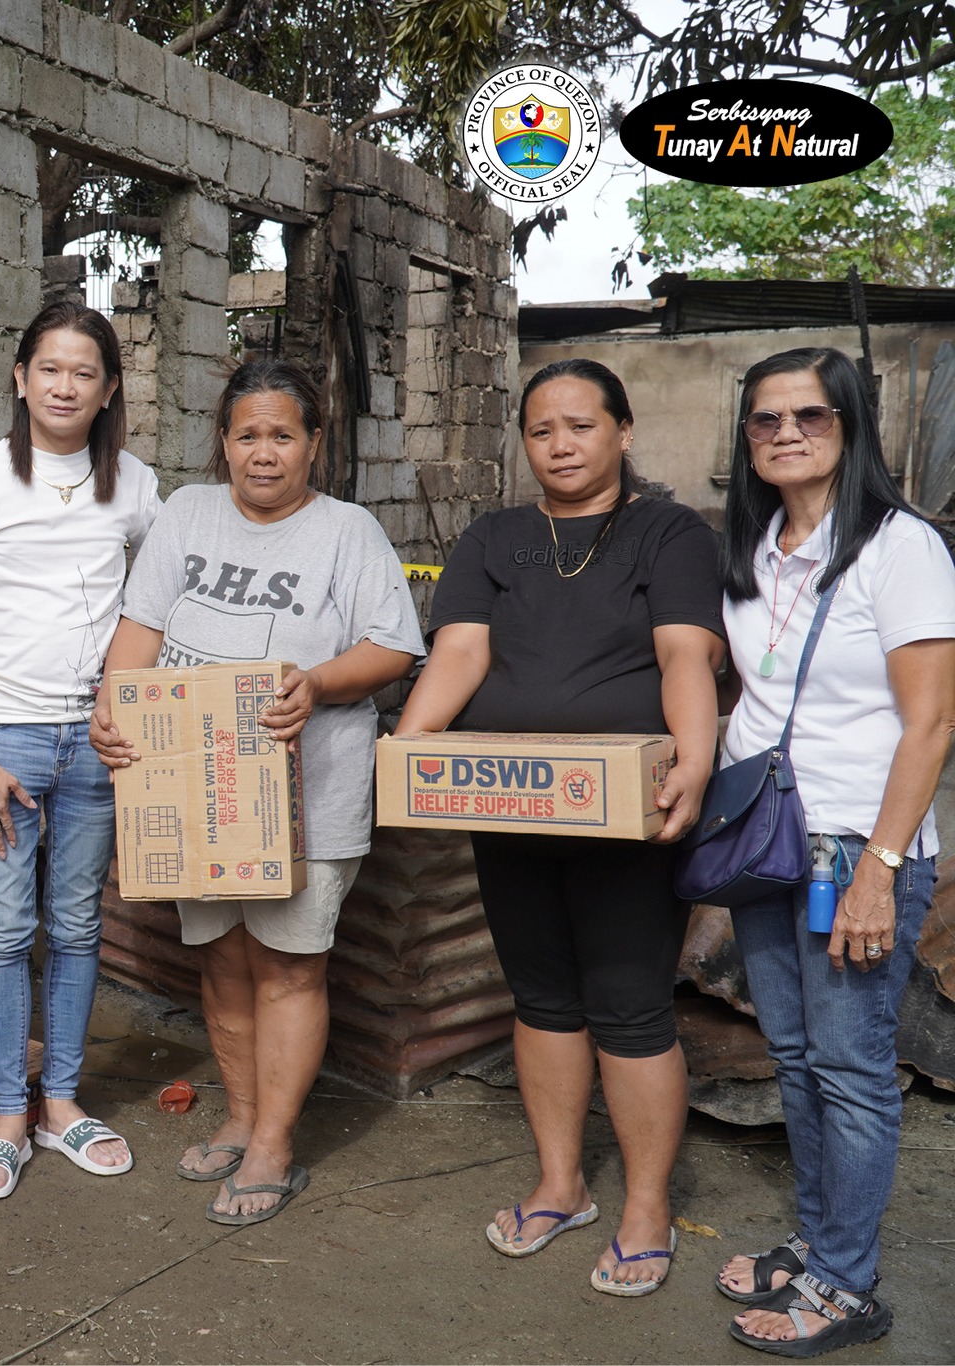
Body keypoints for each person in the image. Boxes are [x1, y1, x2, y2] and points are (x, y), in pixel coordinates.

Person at [395, 358, 724, 1295]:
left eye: (581, 425)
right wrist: (413, 755)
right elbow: (461, 647)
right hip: (511, 805)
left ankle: (646, 1206)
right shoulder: (496, 535)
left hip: (627, 817)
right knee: (540, 999)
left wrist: (692, 764)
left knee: (629, 1006)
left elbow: (684, 655)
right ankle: (560, 1182)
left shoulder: (669, 533)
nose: (561, 444)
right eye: (542, 430)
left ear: (622, 432)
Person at [89, 357, 422, 1224]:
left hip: (309, 790)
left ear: (315, 443)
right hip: (197, 788)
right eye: (247, 436)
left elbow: (393, 648)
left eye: (283, 435)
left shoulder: (348, 532)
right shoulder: (189, 515)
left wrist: (316, 682)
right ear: (222, 443)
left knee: (286, 966)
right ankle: (241, 1117)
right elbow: (141, 629)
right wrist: (111, 710)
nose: (264, 454)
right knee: (223, 963)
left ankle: (275, 1144)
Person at [707, 347, 955, 1356]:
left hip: (855, 843)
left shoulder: (899, 549)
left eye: (807, 415)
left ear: (850, 425)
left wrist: (878, 870)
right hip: (766, 845)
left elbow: (930, 723)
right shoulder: (755, 545)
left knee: (850, 1069)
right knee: (796, 1056)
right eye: (763, 420)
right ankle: (817, 1245)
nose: (783, 433)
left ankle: (847, 1286)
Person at [0, 299, 161, 1198]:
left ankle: (61, 1102)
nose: (66, 385)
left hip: (102, 742)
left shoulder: (136, 487)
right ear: (20, 378)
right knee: (5, 926)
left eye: (86, 373)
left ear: (108, 392)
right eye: (50, 369)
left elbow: (152, 609)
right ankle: (7, 1115)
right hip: (9, 740)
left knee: (73, 924)